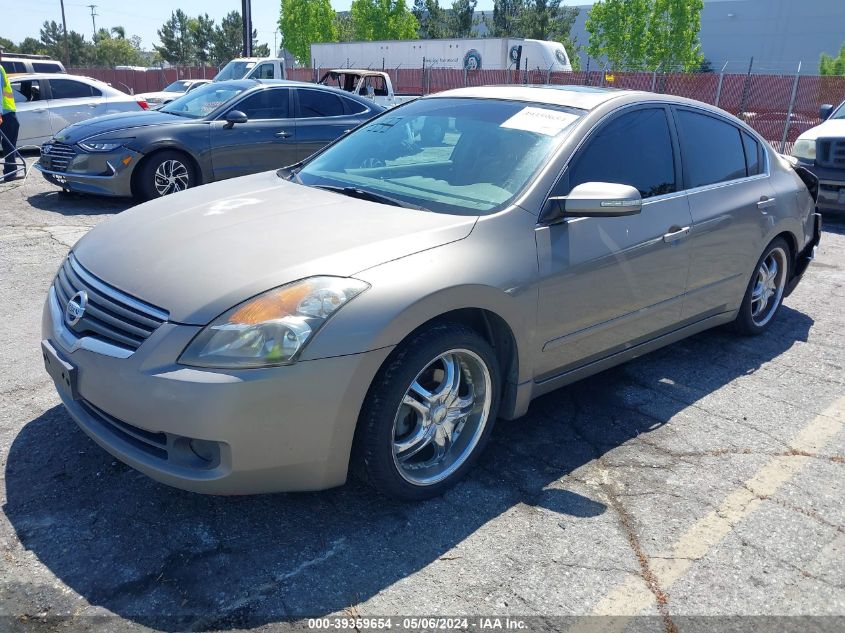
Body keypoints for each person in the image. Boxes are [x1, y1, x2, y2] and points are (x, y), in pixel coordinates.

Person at [0, 49, 21, 182]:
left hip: (6, 112)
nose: (1, 55)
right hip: (6, 113)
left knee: (8, 142)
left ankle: (10, 170)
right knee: (9, 142)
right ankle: (10, 172)